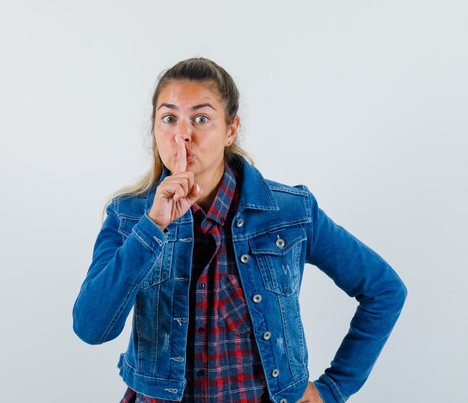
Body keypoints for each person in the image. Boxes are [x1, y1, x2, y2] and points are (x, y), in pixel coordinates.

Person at [72, 57, 407, 403]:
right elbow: (91, 328)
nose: (182, 134)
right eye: (169, 118)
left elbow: (384, 290)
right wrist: (152, 227)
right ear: (155, 129)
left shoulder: (291, 212)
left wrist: (333, 389)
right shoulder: (128, 217)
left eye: (201, 119)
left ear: (230, 130)